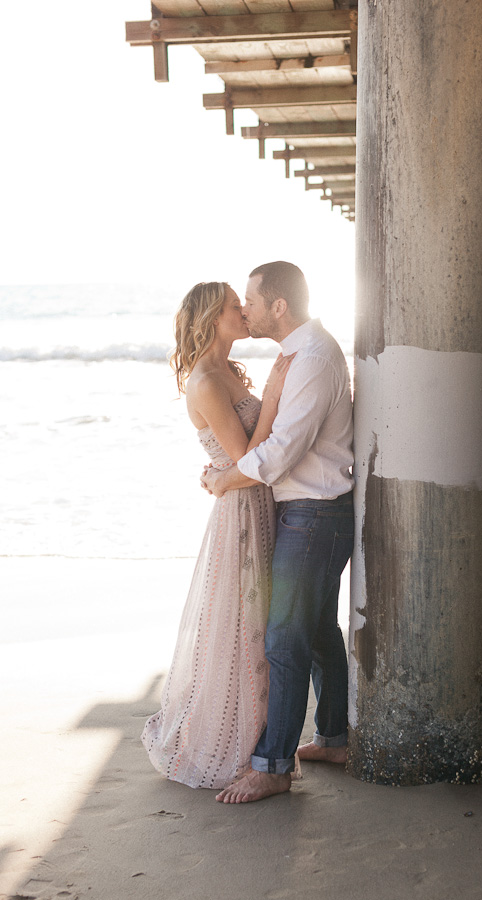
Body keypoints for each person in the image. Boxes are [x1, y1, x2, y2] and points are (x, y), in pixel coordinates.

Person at [201, 261, 354, 804]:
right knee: (314, 632)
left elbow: (280, 451)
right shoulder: (298, 355)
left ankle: (272, 766)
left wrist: (222, 479)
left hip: (313, 514)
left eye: (251, 300)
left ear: (279, 306)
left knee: (284, 637)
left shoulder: (311, 359)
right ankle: (334, 738)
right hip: (316, 512)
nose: (246, 309)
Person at [141, 281, 294, 789]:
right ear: (212, 317)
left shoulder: (227, 369)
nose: (244, 312)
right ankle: (242, 748)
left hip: (257, 502)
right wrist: (274, 393)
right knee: (244, 627)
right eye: (235, 306)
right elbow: (250, 461)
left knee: (261, 623)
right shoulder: (206, 379)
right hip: (244, 512)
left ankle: (265, 744)